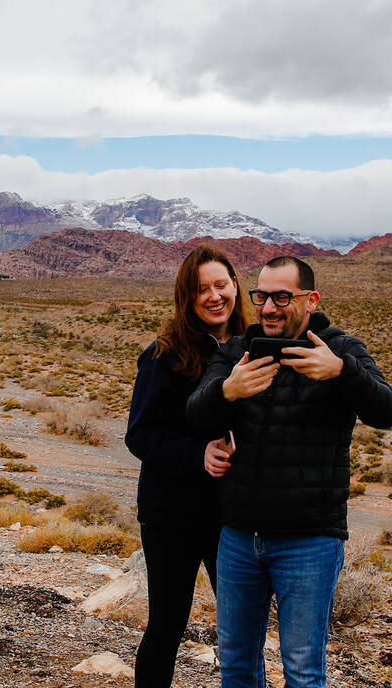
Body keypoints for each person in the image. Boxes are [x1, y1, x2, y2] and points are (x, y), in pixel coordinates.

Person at [187, 256, 392, 688]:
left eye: (282, 297)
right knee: (237, 667)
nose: (268, 308)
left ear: (311, 300)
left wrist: (342, 373)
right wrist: (227, 390)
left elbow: (388, 410)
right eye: (262, 296)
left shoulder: (339, 349)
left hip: (310, 540)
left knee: (303, 672)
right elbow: (194, 413)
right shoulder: (238, 350)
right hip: (239, 539)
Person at [126, 245, 249, 688]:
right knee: (168, 623)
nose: (214, 296)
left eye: (221, 285)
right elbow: (139, 434)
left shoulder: (253, 347)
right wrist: (196, 454)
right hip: (172, 515)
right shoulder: (164, 354)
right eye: (202, 289)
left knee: (242, 625)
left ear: (236, 285)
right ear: (186, 296)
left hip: (234, 515)